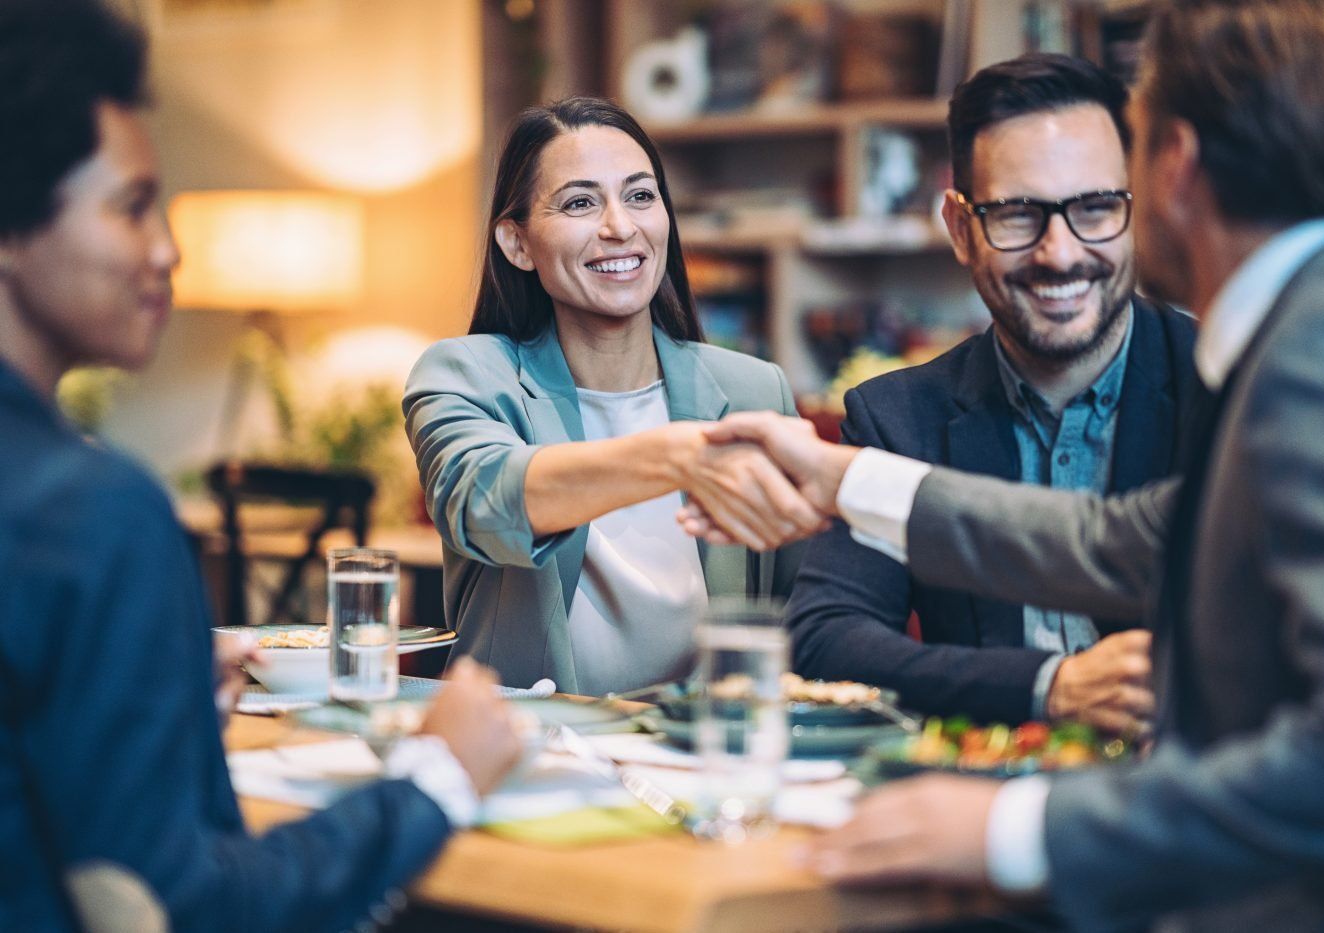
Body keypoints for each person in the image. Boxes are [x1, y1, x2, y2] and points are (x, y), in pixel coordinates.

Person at [687, 1, 1324, 927]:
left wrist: (1018, 828)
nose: (1064, 247)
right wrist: (843, 480)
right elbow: (1125, 540)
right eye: (1022, 213)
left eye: (1108, 188)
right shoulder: (1322, 321)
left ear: (1173, 164)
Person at [0, 2, 521, 929]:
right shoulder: (92, 511)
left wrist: (146, 690)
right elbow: (184, 907)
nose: (168, 248)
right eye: (131, 206)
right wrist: (435, 776)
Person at [784, 53, 1197, 732]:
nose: (1060, 252)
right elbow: (825, 641)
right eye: (1016, 214)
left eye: (1095, 208)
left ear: (1139, 209)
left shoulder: (1224, 387)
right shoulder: (897, 417)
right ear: (960, 229)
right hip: (976, 781)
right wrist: (1048, 687)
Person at [403, 97, 820, 696]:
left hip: (701, 740)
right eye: (580, 203)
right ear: (517, 243)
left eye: (641, 195)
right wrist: (677, 457)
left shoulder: (754, 390)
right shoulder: (469, 374)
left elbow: (804, 610)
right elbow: (483, 502)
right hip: (532, 740)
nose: (620, 226)